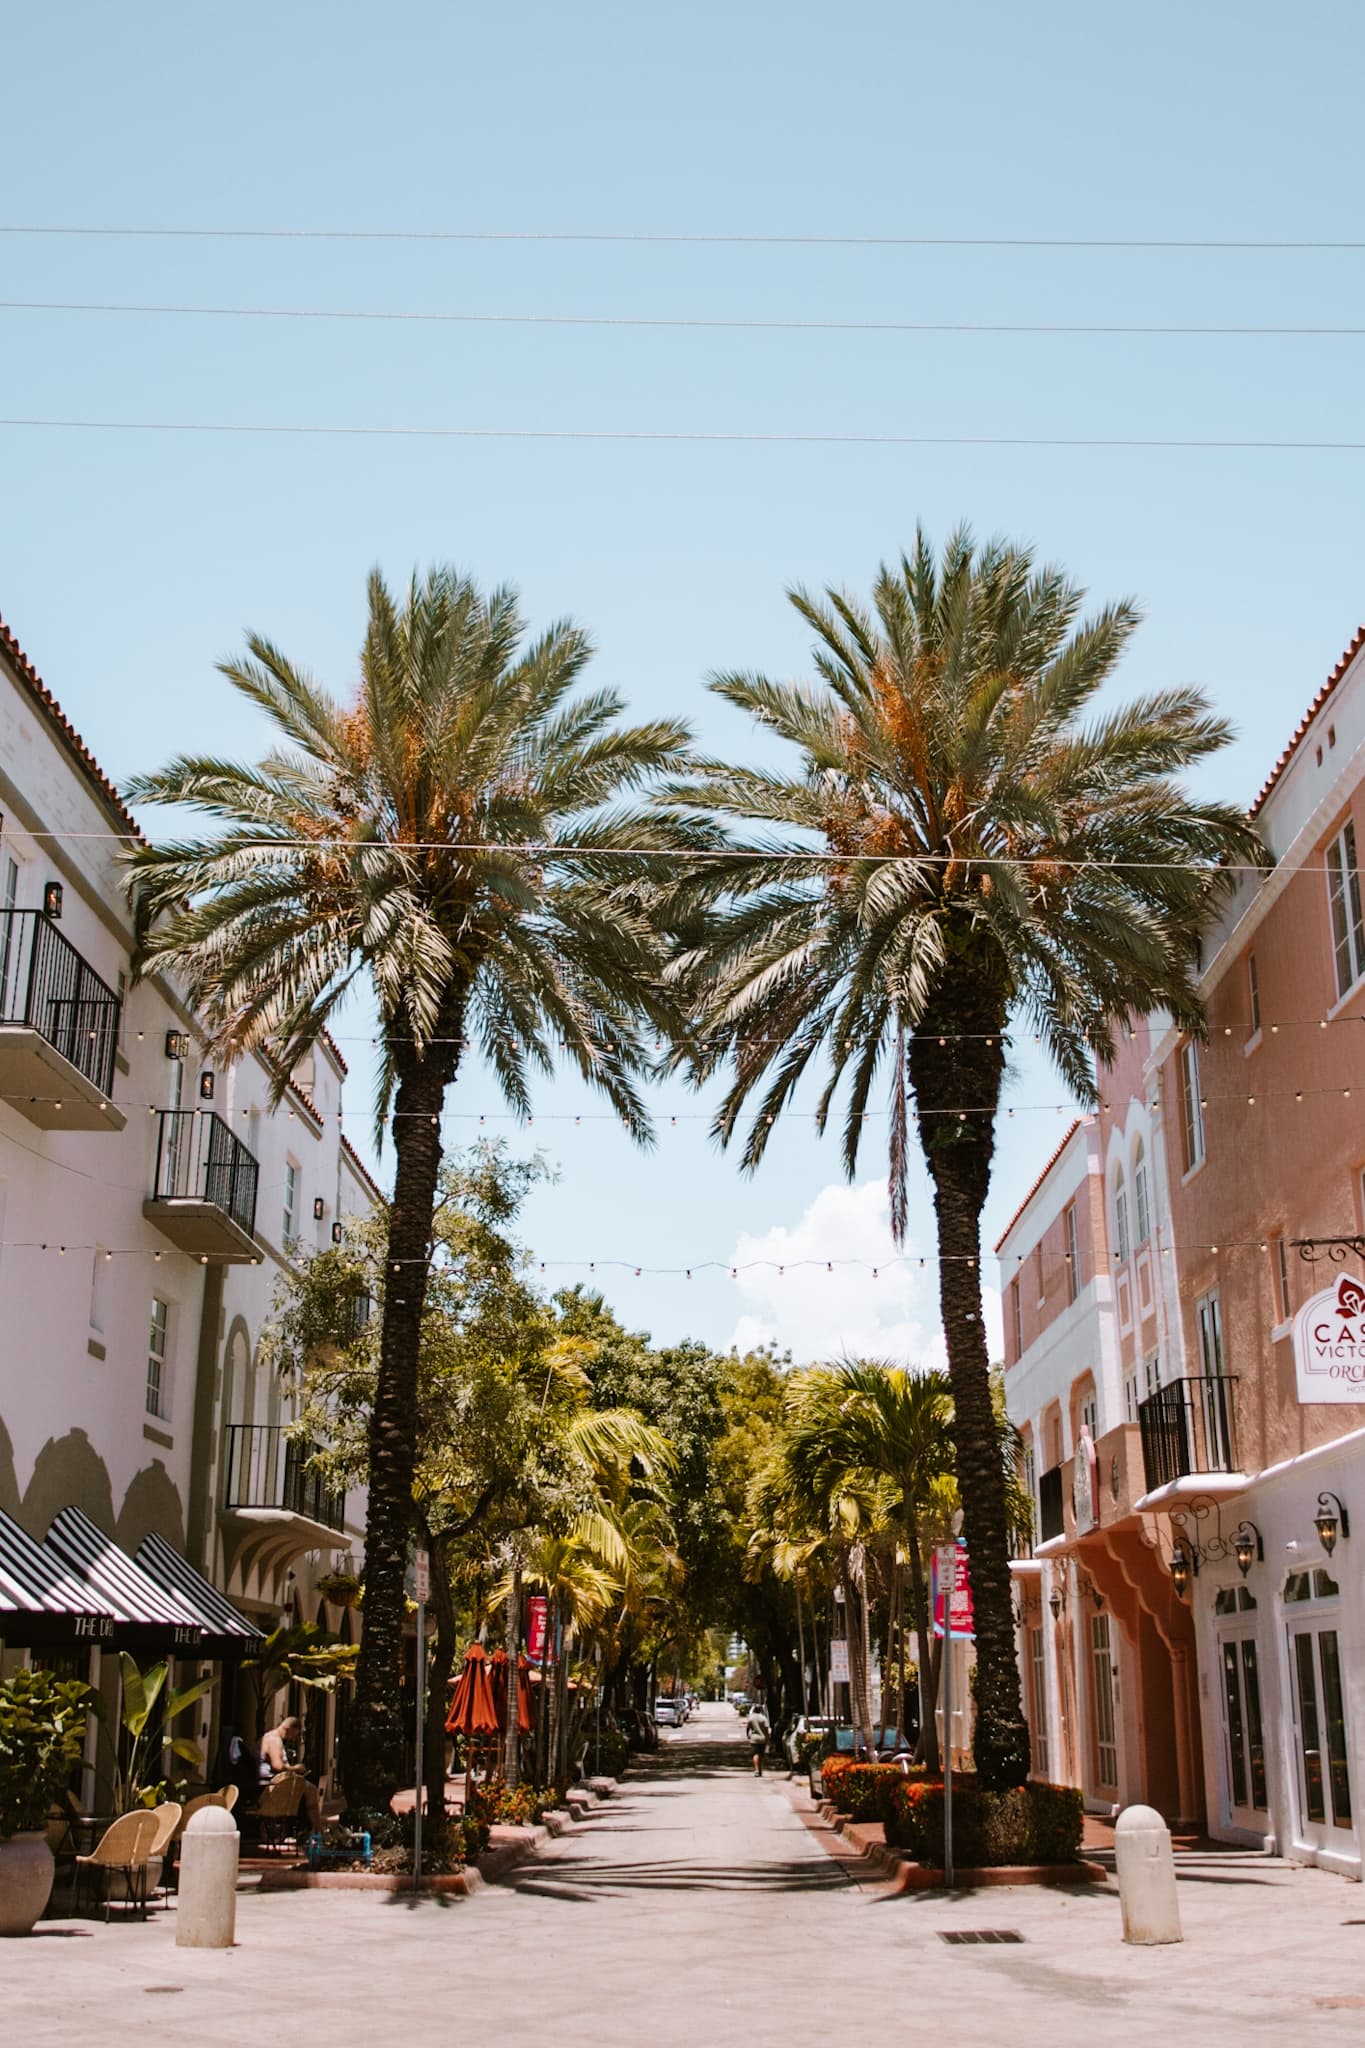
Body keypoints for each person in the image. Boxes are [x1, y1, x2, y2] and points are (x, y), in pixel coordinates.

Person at [259, 1713, 323, 1831]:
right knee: (312, 1790)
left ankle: (309, 1827)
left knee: (309, 1786)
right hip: (272, 1781)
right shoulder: (275, 1740)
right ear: (288, 1729)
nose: (293, 1739)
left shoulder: (269, 1736)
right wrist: (296, 1768)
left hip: (272, 1778)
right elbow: (277, 1766)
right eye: (294, 1735)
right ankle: (319, 1831)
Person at [745, 1702, 771, 1776]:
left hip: (754, 1738)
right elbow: (766, 1729)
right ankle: (760, 1770)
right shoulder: (763, 1718)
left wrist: (748, 1735)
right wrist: (768, 1739)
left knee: (755, 1754)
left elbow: (748, 1727)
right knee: (761, 1755)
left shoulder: (751, 1717)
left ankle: (756, 1770)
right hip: (762, 1739)